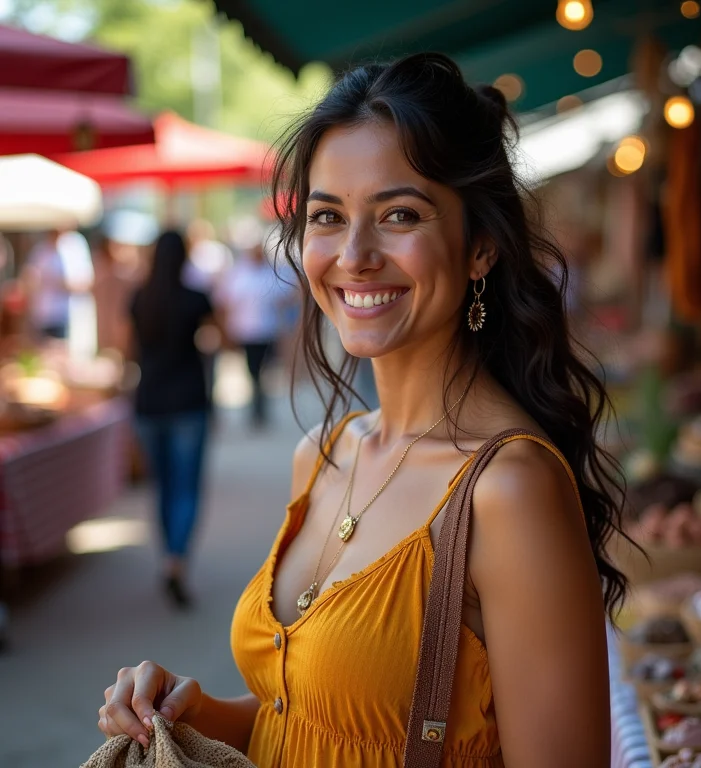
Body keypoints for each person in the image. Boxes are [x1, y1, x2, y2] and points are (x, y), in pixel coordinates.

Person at [97, 54, 625, 767]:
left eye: (398, 214)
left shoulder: (509, 489)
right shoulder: (321, 453)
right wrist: (193, 712)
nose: (354, 254)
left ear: (480, 248)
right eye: (327, 216)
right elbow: (321, 724)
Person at [129, 230, 214, 609]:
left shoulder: (139, 300)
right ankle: (176, 560)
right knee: (187, 489)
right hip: (189, 401)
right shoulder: (196, 298)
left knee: (162, 487)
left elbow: (125, 349)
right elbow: (223, 339)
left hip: (149, 402)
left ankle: (168, 555)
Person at [215, 226, 297, 426]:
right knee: (253, 371)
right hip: (246, 331)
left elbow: (289, 295)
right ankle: (257, 408)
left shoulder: (270, 273)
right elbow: (225, 302)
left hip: (267, 331)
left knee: (263, 371)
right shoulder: (239, 274)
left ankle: (260, 409)